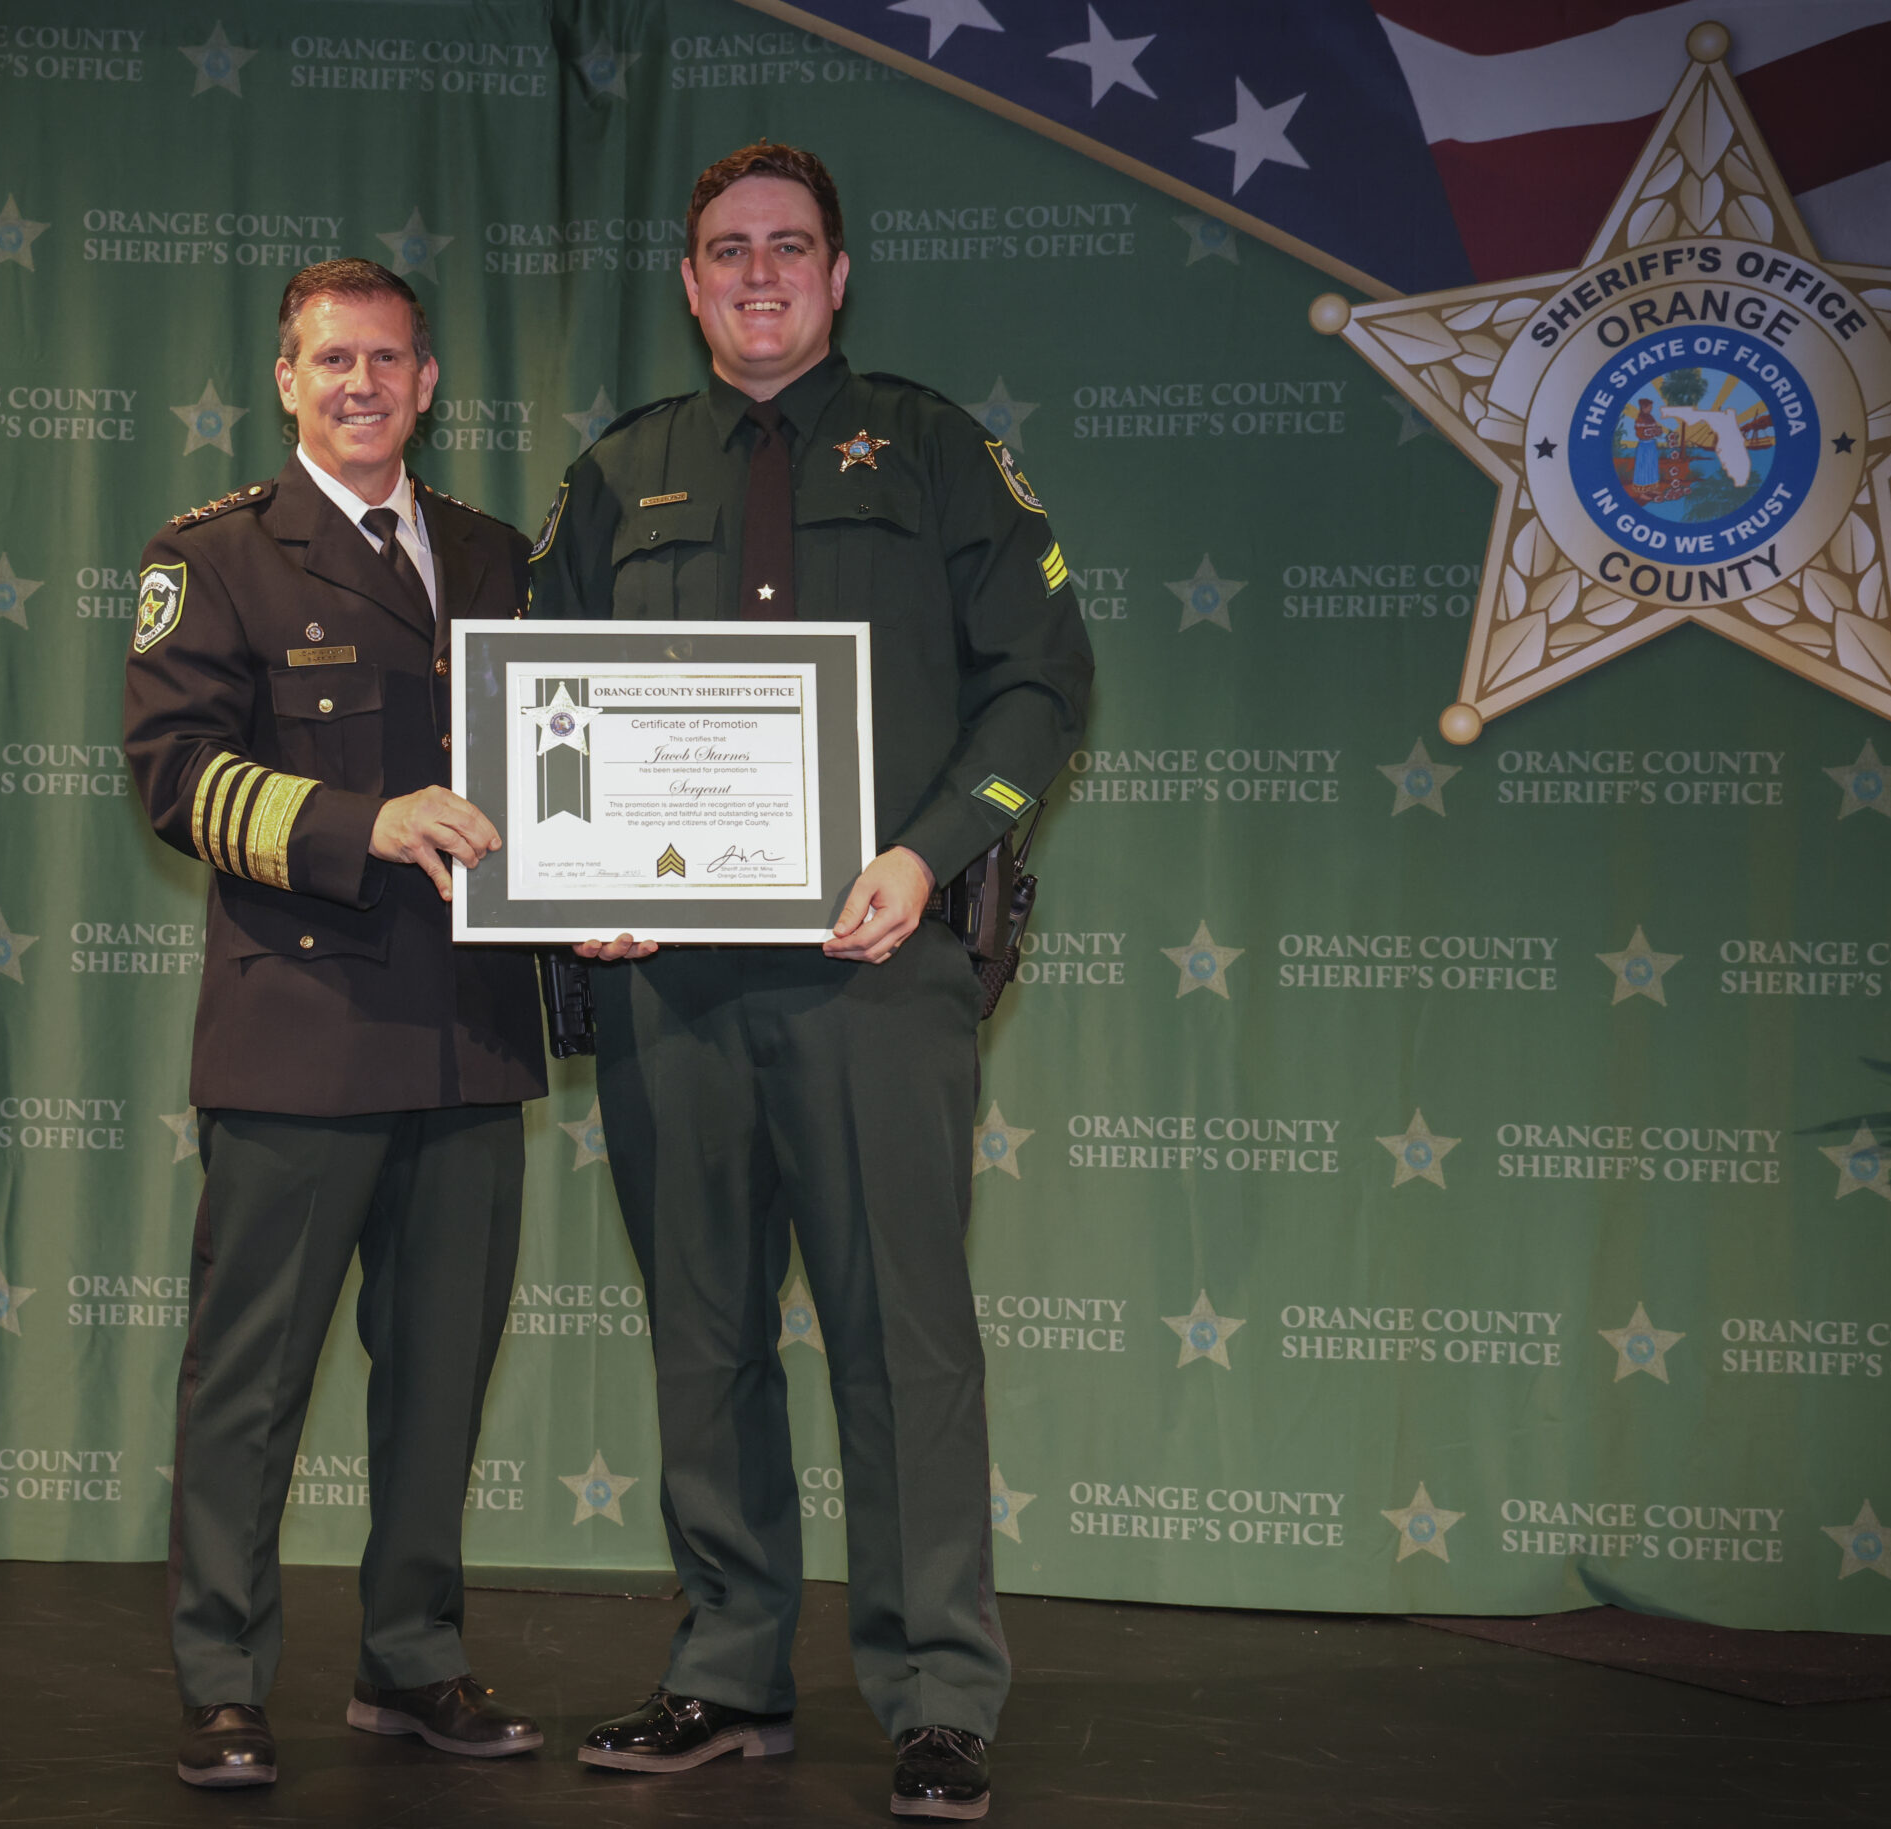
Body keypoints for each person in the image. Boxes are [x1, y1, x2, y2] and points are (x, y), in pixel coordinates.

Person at [527, 143, 1093, 1821]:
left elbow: (1043, 680)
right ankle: (725, 1670)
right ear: (690, 283)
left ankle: (938, 1692)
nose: (759, 273)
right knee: (702, 1333)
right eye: (727, 250)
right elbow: (536, 696)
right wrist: (574, 878)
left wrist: (931, 849)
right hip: (672, 985)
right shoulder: (620, 472)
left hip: (878, 968)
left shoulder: (936, 451)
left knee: (902, 1340)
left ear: (838, 275)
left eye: (789, 247)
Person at [122, 257, 547, 1788]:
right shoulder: (216, 556)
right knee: (252, 1384)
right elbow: (176, 777)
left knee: (439, 1382)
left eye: (386, 359)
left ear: (427, 383)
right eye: (330, 359)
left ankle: (411, 1657)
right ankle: (223, 1679)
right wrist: (366, 823)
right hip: (300, 1035)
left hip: (469, 1036)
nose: (360, 383)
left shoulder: (499, 556)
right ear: (286, 381)